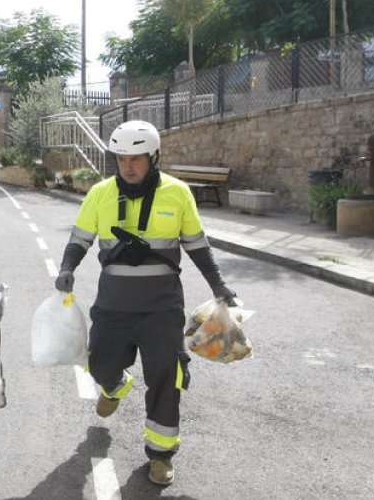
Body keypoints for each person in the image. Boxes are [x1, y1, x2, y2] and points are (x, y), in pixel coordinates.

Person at [54, 119, 239, 487]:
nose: (128, 166)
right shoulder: (100, 193)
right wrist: (67, 267)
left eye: (136, 158)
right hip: (112, 306)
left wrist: (219, 285)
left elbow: (198, 246)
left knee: (165, 378)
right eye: (121, 158)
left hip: (162, 308)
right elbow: (80, 238)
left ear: (153, 157)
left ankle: (160, 455)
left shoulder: (178, 193)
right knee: (99, 365)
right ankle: (115, 385)